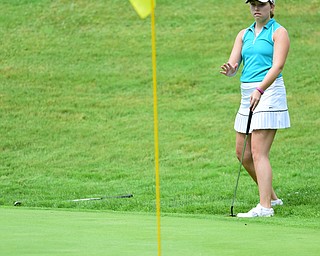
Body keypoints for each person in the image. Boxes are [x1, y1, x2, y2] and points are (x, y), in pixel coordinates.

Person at [220, 0, 290, 217]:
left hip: (268, 92)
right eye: (252, 5)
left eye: (261, 4)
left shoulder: (279, 33)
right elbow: (235, 64)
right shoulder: (244, 34)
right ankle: (272, 197)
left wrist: (260, 89)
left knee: (259, 152)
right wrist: (231, 70)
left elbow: (277, 66)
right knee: (243, 153)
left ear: (271, 6)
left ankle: (265, 208)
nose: (256, 9)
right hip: (247, 94)